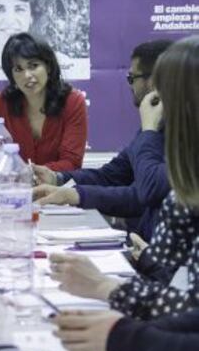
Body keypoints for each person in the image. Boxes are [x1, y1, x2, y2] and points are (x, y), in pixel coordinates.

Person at [52, 36, 199, 351]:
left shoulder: (155, 138)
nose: (155, 105)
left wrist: (122, 333)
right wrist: (112, 289)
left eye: (165, 98)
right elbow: (190, 306)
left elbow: (145, 191)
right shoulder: (175, 170)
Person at [33, 39, 173, 241]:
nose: (130, 85)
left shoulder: (174, 131)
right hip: (142, 245)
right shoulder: (153, 127)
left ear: (153, 82)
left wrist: (75, 195)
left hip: (162, 258)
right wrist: (57, 178)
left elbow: (144, 193)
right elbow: (111, 175)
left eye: (132, 78)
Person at [0, 32, 87, 171]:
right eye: (18, 69)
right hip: (11, 189)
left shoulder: (73, 102)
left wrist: (27, 173)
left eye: (33, 65)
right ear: (12, 76)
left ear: (48, 67)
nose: (27, 75)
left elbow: (72, 163)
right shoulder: (0, 103)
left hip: (58, 189)